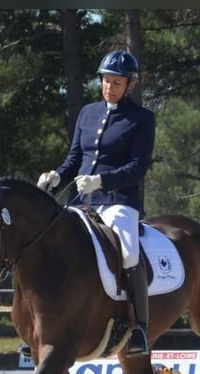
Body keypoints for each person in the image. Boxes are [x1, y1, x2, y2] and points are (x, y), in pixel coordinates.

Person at [37, 49, 156, 356]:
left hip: (118, 201)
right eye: (105, 81)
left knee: (129, 253)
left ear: (130, 85)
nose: (109, 88)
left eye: (116, 83)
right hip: (81, 201)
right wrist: (55, 176)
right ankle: (38, 325)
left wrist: (101, 181)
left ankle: (139, 327)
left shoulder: (141, 119)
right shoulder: (87, 113)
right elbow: (74, 159)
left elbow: (137, 168)